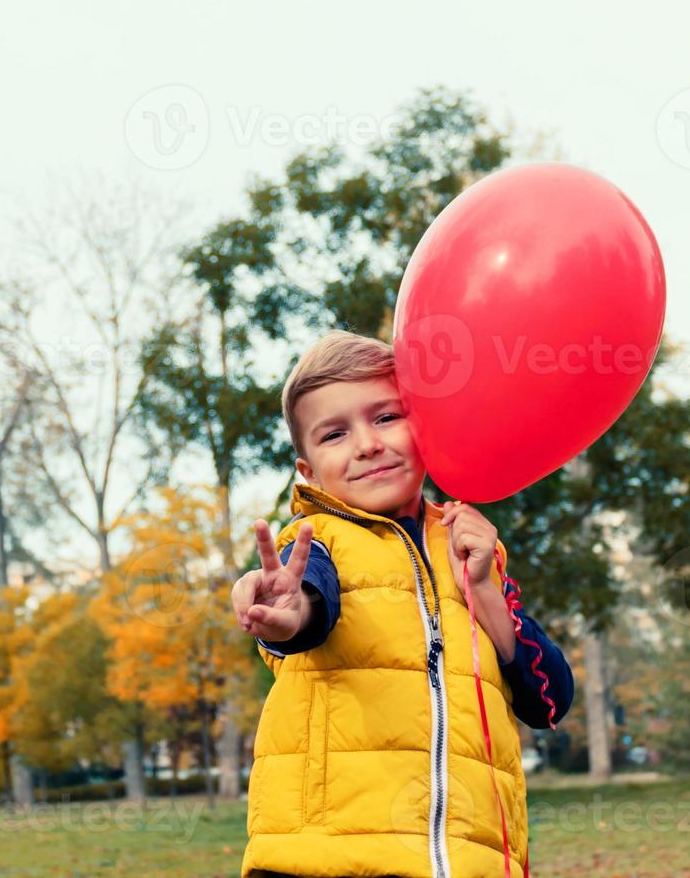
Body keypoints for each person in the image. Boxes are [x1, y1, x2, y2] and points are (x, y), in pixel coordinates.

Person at [232, 330, 574, 878]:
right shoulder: (316, 542)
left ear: (427, 428)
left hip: (467, 861)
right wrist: (288, 611)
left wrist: (483, 587)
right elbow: (308, 613)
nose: (367, 444)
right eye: (335, 433)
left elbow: (550, 700)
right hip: (328, 859)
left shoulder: (469, 545)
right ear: (308, 471)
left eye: (387, 418)